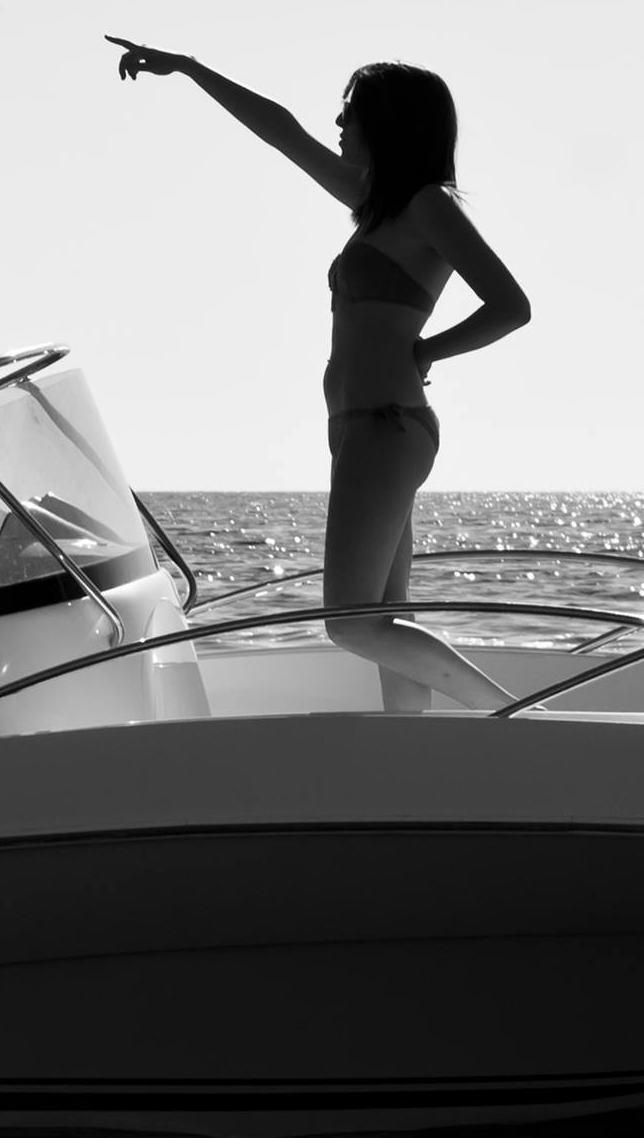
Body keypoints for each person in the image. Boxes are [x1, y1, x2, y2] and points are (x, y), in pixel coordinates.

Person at [108, 37, 530, 711]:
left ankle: (516, 718)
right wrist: (189, 69)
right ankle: (415, 748)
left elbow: (511, 306)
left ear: (388, 123)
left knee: (350, 623)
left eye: (350, 111)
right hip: (363, 429)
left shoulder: (427, 205)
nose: (338, 123)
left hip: (386, 427)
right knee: (385, 618)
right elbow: (283, 133)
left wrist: (428, 351)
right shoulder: (377, 204)